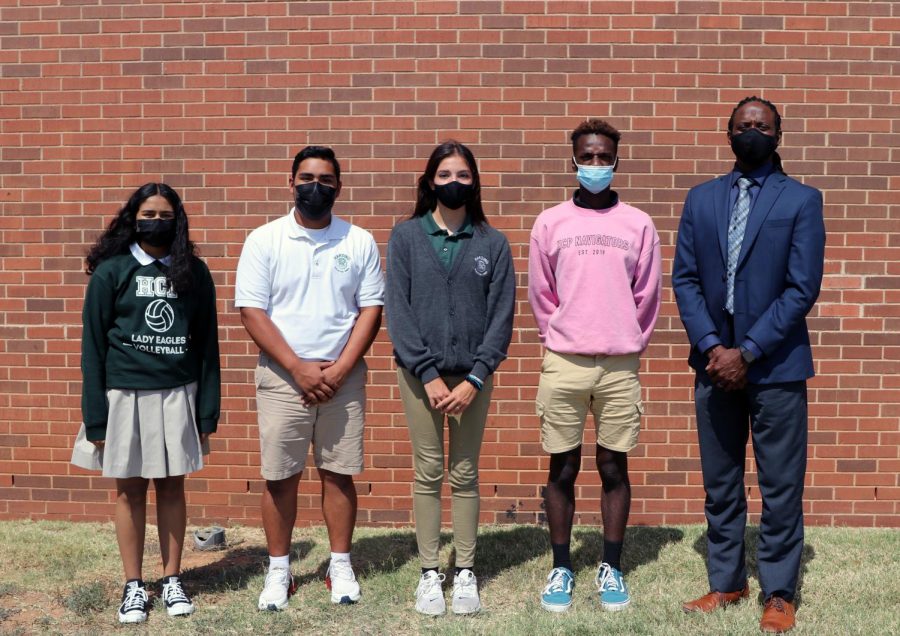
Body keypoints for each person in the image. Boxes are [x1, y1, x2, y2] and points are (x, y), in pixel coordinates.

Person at [673, 96, 825, 634]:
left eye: (762, 125)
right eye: (743, 125)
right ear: (727, 133)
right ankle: (727, 581)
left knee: (781, 485)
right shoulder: (701, 199)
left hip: (776, 365)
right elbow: (685, 279)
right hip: (713, 365)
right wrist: (715, 346)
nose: (752, 131)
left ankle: (779, 591)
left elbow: (802, 287)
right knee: (721, 482)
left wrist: (750, 350)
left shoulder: (802, 200)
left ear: (778, 134)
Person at [235, 146, 384, 611]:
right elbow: (252, 311)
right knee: (281, 477)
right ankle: (279, 570)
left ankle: (340, 563)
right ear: (291, 182)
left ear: (338, 187)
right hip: (283, 376)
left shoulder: (358, 241)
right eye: (306, 177)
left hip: (344, 377)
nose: (314, 186)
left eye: (324, 179)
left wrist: (339, 369)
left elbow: (371, 310)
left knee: (339, 474)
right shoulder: (264, 239)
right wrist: (297, 367)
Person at [71, 183, 220, 624]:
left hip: (177, 393)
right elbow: (92, 347)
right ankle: (134, 585)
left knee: (172, 485)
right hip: (123, 397)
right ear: (132, 218)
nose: (156, 220)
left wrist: (207, 408)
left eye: (165, 213)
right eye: (147, 213)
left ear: (178, 220)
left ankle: (172, 579)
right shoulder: (112, 272)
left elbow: (207, 346)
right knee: (129, 489)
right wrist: (94, 415)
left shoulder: (194, 271)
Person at [528, 120, 661, 613]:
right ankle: (561, 566)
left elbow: (647, 296)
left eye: (605, 157)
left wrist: (626, 339)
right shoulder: (550, 222)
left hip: (620, 364)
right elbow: (542, 295)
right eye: (588, 156)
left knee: (613, 465)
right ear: (574, 161)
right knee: (562, 466)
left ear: (616, 161)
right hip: (564, 361)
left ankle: (611, 566)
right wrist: (563, 336)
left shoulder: (638, 224)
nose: (596, 165)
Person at [386, 141, 515, 616]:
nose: (453, 182)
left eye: (462, 174)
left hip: (472, 381)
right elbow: (397, 310)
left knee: (464, 472)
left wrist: (476, 377)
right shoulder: (405, 237)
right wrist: (427, 373)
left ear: (474, 182)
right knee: (428, 471)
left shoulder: (492, 243)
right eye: (444, 175)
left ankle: (464, 570)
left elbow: (502, 317)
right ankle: (428, 573)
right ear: (429, 182)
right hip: (420, 378)